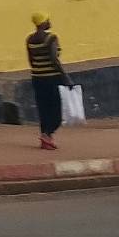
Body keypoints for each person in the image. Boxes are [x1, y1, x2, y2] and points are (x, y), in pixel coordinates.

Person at [27, 11, 73, 150]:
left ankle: (46, 139)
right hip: (51, 78)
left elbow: (31, 60)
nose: (49, 22)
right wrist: (65, 77)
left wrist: (39, 69)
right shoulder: (51, 38)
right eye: (47, 20)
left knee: (43, 109)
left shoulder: (29, 39)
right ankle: (47, 134)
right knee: (56, 112)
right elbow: (54, 59)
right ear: (43, 23)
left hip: (37, 78)